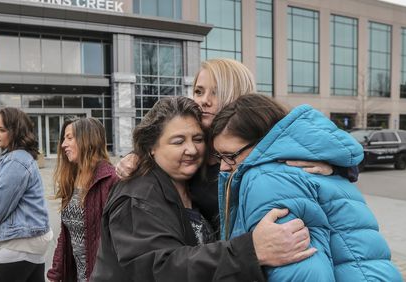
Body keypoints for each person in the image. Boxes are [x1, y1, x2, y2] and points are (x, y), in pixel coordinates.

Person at [92, 96, 310, 282]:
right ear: (151, 148)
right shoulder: (137, 196)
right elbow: (161, 269)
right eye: (178, 142)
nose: (191, 149)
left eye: (197, 139)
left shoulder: (196, 183)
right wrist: (251, 250)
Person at [211, 94, 402, 281]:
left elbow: (302, 272)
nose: (224, 166)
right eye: (219, 157)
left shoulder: (267, 177)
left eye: (230, 155)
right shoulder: (317, 163)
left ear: (261, 140)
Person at [0, 107, 52, 282]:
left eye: (1, 130)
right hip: (30, 243)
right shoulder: (12, 158)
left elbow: (0, 204)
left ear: (16, 132)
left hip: (19, 244)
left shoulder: (16, 161)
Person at [47, 117, 119, 282]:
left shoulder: (111, 180)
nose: (63, 144)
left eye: (69, 138)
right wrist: (55, 275)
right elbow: (66, 235)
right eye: (64, 139)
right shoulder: (72, 179)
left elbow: (120, 242)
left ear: (87, 139)